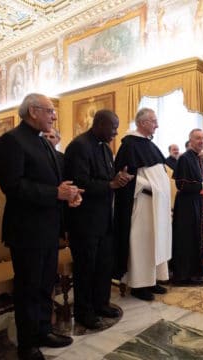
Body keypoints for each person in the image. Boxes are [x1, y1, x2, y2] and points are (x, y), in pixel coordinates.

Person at [0, 93, 82, 360]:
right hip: (26, 230)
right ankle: (27, 344)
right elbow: (12, 185)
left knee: (46, 284)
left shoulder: (42, 141)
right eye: (49, 111)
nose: (53, 115)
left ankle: (44, 329)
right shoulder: (12, 140)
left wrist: (68, 193)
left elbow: (52, 179)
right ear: (33, 111)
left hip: (48, 226)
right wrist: (54, 194)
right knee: (28, 288)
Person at [65, 109, 133, 329]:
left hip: (104, 218)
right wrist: (111, 184)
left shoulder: (104, 147)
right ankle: (84, 312)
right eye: (113, 127)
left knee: (103, 265)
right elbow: (80, 182)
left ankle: (101, 303)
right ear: (99, 124)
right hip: (84, 220)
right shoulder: (79, 146)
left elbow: (107, 178)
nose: (115, 132)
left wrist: (118, 178)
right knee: (86, 268)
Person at [114, 108, 171, 301]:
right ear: (142, 123)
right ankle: (139, 285)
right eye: (154, 121)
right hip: (143, 203)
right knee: (143, 244)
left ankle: (153, 280)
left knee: (156, 241)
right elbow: (126, 176)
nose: (157, 124)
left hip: (157, 203)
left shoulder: (148, 144)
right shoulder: (129, 144)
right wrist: (150, 187)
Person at [172, 128, 203, 284]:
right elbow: (181, 185)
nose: (202, 141)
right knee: (187, 238)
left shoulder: (198, 158)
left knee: (196, 236)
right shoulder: (184, 159)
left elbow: (200, 183)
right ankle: (184, 274)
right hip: (186, 205)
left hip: (197, 202)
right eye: (198, 138)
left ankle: (196, 270)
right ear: (190, 141)